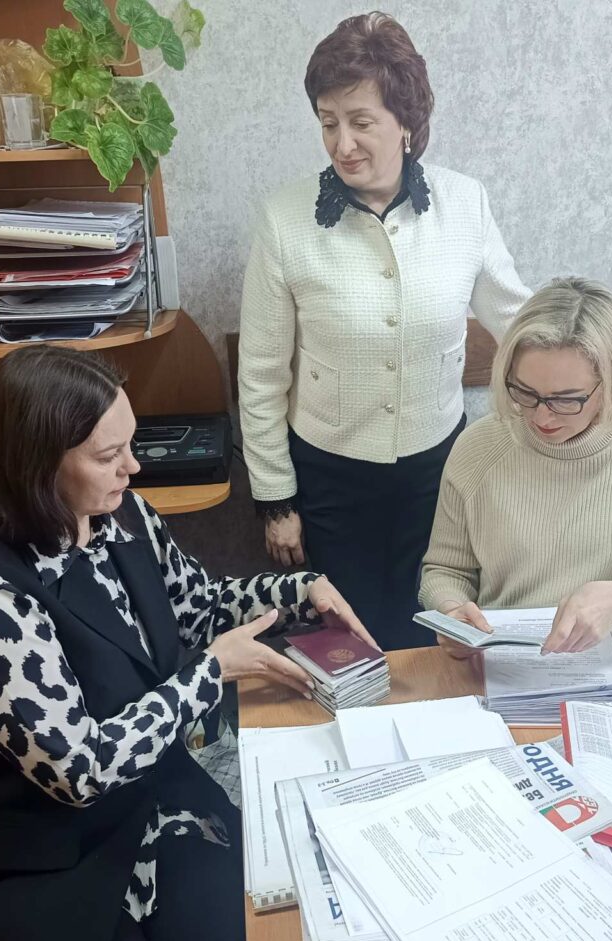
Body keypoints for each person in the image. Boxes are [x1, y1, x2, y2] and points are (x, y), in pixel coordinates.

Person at [0, 345, 372, 941]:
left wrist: (296, 591)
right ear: (38, 466)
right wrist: (209, 672)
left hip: (152, 812)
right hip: (42, 860)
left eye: (130, 445)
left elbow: (198, 608)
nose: (133, 467)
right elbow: (79, 770)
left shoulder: (125, 518)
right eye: (109, 456)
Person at [238, 12, 531, 651]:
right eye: (328, 123)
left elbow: (519, 321)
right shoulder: (285, 220)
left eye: (360, 121)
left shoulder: (465, 204)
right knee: (349, 646)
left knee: (437, 635)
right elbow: (260, 374)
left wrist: (589, 358)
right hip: (330, 482)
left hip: (439, 474)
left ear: (406, 122)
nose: (342, 143)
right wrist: (275, 500)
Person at [420, 277, 612, 657]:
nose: (541, 417)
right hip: (499, 660)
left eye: (566, 400)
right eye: (525, 392)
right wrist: (451, 613)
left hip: (608, 662)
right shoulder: (479, 448)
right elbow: (445, 571)